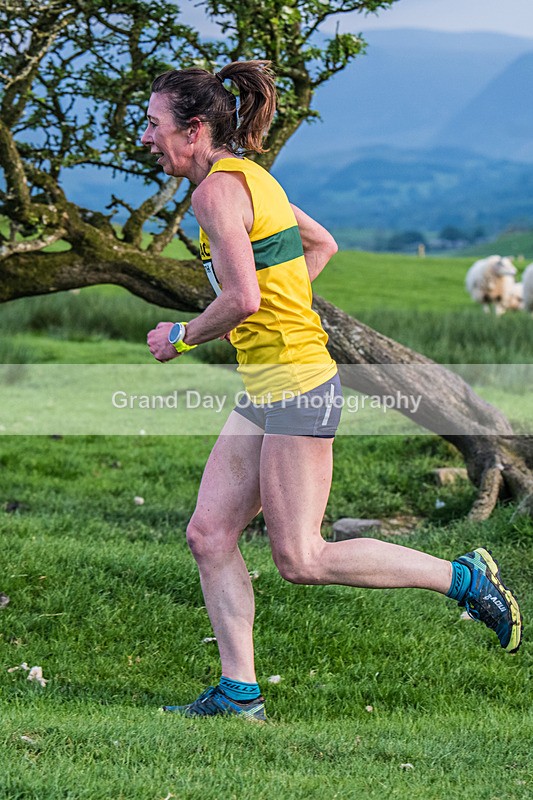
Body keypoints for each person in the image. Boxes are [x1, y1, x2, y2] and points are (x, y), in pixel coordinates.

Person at [144, 60, 522, 721]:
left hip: (294, 383)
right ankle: (239, 696)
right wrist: (288, 307)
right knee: (208, 533)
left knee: (302, 556)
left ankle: (462, 578)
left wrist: (180, 335)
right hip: (271, 381)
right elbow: (321, 242)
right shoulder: (249, 179)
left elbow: (239, 296)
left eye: (154, 125)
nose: (147, 137)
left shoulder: (215, 194)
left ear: (195, 129)